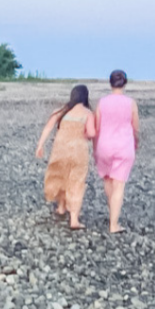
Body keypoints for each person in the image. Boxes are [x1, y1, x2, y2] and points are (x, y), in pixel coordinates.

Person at [35, 84, 96, 229]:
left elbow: (48, 127)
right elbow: (92, 133)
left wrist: (40, 145)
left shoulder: (61, 111)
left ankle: (61, 207)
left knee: (61, 176)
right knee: (76, 180)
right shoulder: (87, 113)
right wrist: (85, 135)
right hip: (78, 150)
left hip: (60, 149)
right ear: (85, 97)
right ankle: (74, 219)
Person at [94, 70, 140, 234]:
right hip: (124, 145)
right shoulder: (130, 103)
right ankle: (114, 224)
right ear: (125, 83)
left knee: (107, 179)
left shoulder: (102, 102)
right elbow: (135, 126)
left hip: (104, 144)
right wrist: (136, 141)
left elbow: (97, 127)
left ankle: (112, 209)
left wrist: (95, 147)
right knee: (119, 184)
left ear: (110, 83)